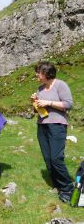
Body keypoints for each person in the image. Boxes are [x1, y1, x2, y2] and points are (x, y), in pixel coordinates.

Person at [31, 61, 74, 203]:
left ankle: (68, 187)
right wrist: (35, 103)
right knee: (48, 159)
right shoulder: (40, 88)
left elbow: (68, 104)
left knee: (56, 158)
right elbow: (38, 110)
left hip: (57, 125)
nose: (37, 74)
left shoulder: (60, 85)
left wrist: (48, 103)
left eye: (39, 72)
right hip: (42, 125)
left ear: (46, 73)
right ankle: (57, 185)